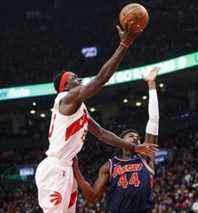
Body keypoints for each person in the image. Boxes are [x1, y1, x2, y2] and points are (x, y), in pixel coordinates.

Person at [35, 23, 158, 213]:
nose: (80, 79)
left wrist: (133, 147)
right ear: (65, 86)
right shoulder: (66, 99)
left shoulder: (78, 108)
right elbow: (101, 79)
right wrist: (123, 45)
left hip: (65, 168)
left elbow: (101, 133)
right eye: (75, 78)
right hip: (55, 168)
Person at [73, 67, 160, 213]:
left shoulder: (146, 156)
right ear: (121, 142)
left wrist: (151, 84)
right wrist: (76, 170)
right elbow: (93, 197)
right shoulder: (109, 166)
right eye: (131, 135)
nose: (136, 137)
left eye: (137, 137)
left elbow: (154, 121)